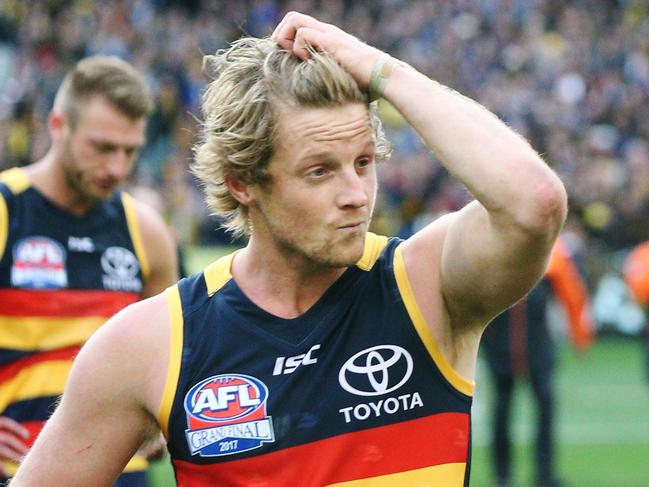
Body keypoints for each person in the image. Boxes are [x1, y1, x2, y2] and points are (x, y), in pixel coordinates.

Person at [10, 12, 567, 486]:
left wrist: (380, 68)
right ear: (242, 181)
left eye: (364, 162)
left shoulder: (428, 285)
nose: (356, 196)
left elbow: (533, 202)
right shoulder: (149, 345)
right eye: (320, 171)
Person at [0, 56, 178, 485]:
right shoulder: (7, 210)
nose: (117, 168)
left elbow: (172, 357)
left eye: (130, 151)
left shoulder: (146, 232)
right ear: (58, 126)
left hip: (123, 473)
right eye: (102, 148)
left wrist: (161, 420)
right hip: (20, 469)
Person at [481, 236, 594, 487]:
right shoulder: (494, 244)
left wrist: (580, 334)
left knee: (544, 406)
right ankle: (503, 474)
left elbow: (571, 293)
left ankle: (543, 474)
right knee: (502, 409)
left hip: (538, 345)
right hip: (500, 346)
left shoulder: (553, 248)